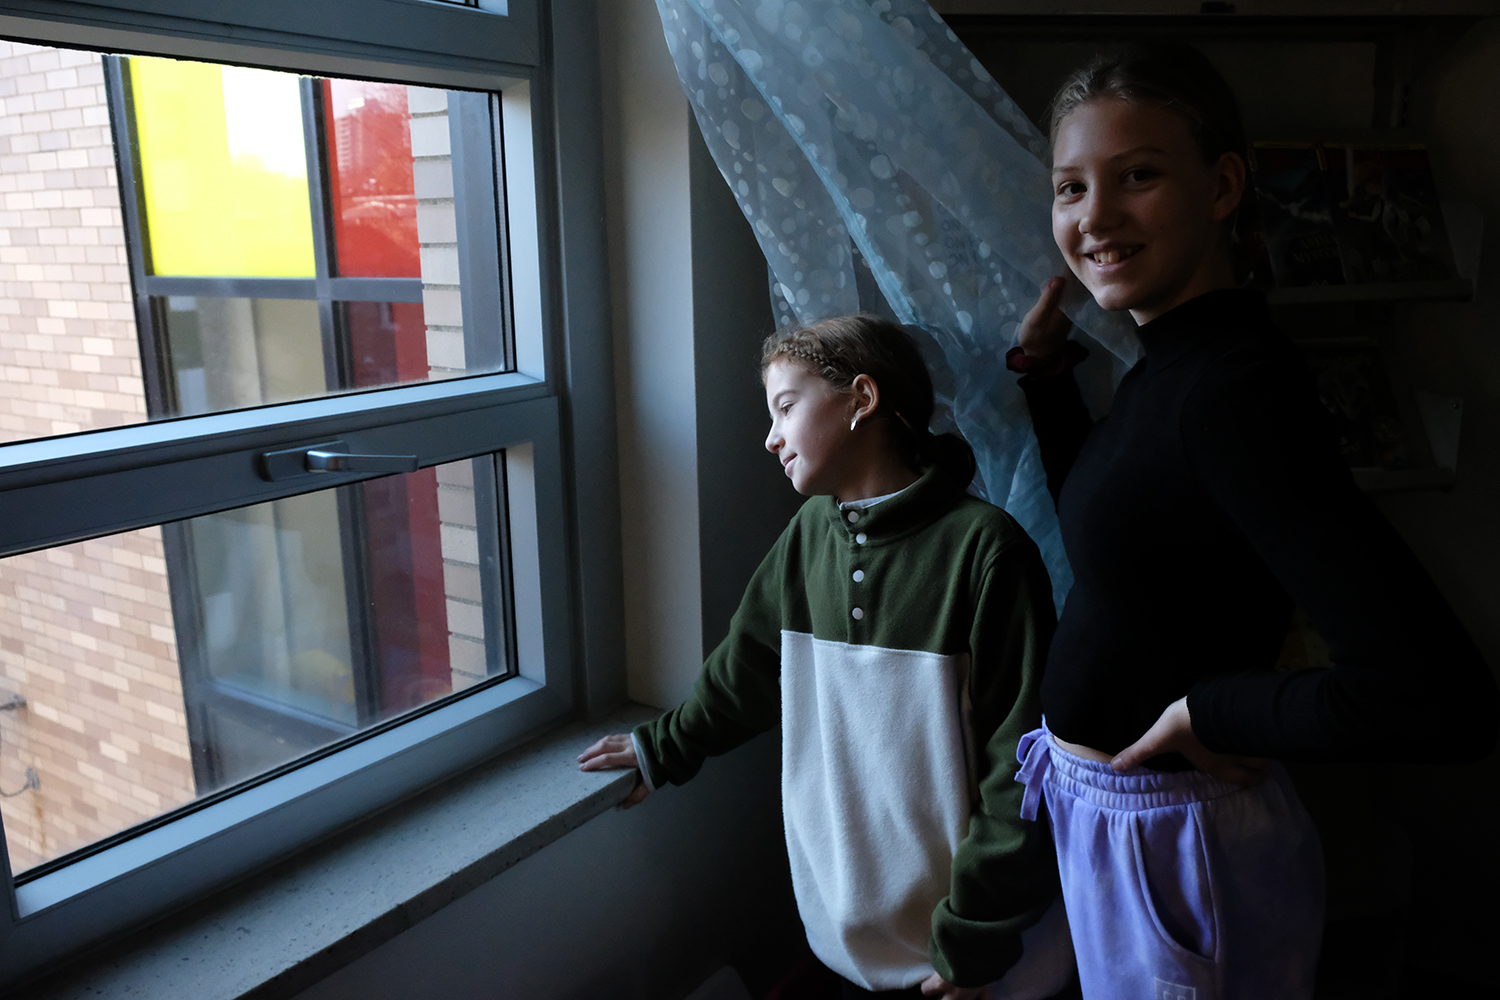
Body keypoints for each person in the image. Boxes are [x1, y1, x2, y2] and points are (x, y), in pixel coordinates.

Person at [1007, 42, 1500, 1000]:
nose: (1094, 217)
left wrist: (1212, 708)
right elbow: (1119, 543)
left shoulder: (1234, 392)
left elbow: (1435, 697)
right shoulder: (1175, 367)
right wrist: (1047, 381)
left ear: (1223, 184)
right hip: (1131, 833)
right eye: (1071, 187)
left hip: (1187, 856)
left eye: (1137, 176)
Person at [579, 316, 1073, 999]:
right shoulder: (808, 535)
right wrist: (663, 748)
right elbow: (744, 670)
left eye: (786, 407)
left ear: (861, 399)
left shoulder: (986, 550)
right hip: (848, 933)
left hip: (975, 956)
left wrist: (977, 932)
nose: (770, 437)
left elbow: (1020, 766)